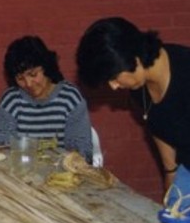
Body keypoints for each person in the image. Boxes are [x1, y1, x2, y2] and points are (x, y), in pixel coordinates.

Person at [76, 16, 190, 198]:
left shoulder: (184, 71)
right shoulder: (139, 88)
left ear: (133, 59)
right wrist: (171, 175)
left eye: (114, 77)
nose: (114, 86)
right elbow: (160, 127)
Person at [0, 35, 93, 162]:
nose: (28, 83)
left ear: (46, 67)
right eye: (20, 78)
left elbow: (82, 150)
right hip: (22, 174)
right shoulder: (11, 101)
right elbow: (2, 147)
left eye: (33, 74)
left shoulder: (70, 98)